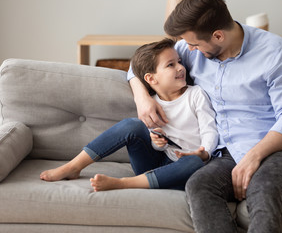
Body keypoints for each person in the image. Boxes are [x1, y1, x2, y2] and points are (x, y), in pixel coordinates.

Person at [127, 0, 282, 232]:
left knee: (264, 190)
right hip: (224, 154)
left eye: (194, 44)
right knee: (199, 186)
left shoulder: (274, 52)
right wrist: (142, 97)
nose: (188, 50)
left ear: (218, 36)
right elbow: (137, 66)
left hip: (276, 150)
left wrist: (253, 157)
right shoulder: (193, 49)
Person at [40, 38, 218, 192]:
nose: (180, 67)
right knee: (131, 124)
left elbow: (209, 130)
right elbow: (158, 144)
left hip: (184, 169)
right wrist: (157, 143)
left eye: (179, 61)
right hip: (155, 164)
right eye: (171, 65)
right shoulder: (151, 104)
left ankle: (124, 183)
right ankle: (73, 166)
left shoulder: (195, 95)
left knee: (194, 162)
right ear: (151, 79)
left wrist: (204, 153)